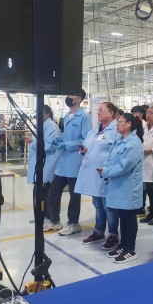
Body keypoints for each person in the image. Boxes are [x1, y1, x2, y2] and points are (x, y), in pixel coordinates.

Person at [44, 89, 92, 234]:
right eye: (68, 94)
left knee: (74, 194)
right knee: (54, 190)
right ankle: (54, 220)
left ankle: (73, 223)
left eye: (72, 95)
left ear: (79, 99)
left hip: (75, 161)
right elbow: (68, 135)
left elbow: (86, 140)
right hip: (63, 162)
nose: (69, 97)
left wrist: (68, 144)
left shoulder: (84, 117)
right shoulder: (66, 115)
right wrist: (62, 139)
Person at [99, 113, 144, 264]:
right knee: (122, 217)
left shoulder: (134, 143)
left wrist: (106, 172)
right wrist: (104, 168)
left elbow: (124, 166)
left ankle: (130, 249)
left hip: (128, 187)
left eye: (121, 122)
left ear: (129, 124)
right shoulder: (120, 140)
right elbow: (110, 159)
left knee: (129, 218)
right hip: (118, 187)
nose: (117, 125)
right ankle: (123, 245)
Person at [75, 102, 119, 251]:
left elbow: (116, 152)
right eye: (97, 110)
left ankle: (113, 234)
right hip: (93, 174)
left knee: (109, 206)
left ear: (111, 113)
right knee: (97, 204)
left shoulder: (116, 130)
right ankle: (99, 231)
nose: (98, 113)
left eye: (101, 110)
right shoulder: (94, 131)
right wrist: (83, 150)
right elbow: (89, 147)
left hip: (106, 174)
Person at [25, 105, 61, 224]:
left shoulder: (51, 126)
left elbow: (50, 145)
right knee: (39, 192)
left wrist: (33, 142)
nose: (38, 116)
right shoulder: (41, 126)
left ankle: (51, 218)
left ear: (47, 114)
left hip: (48, 164)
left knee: (47, 193)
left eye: (40, 113)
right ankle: (40, 216)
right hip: (40, 164)